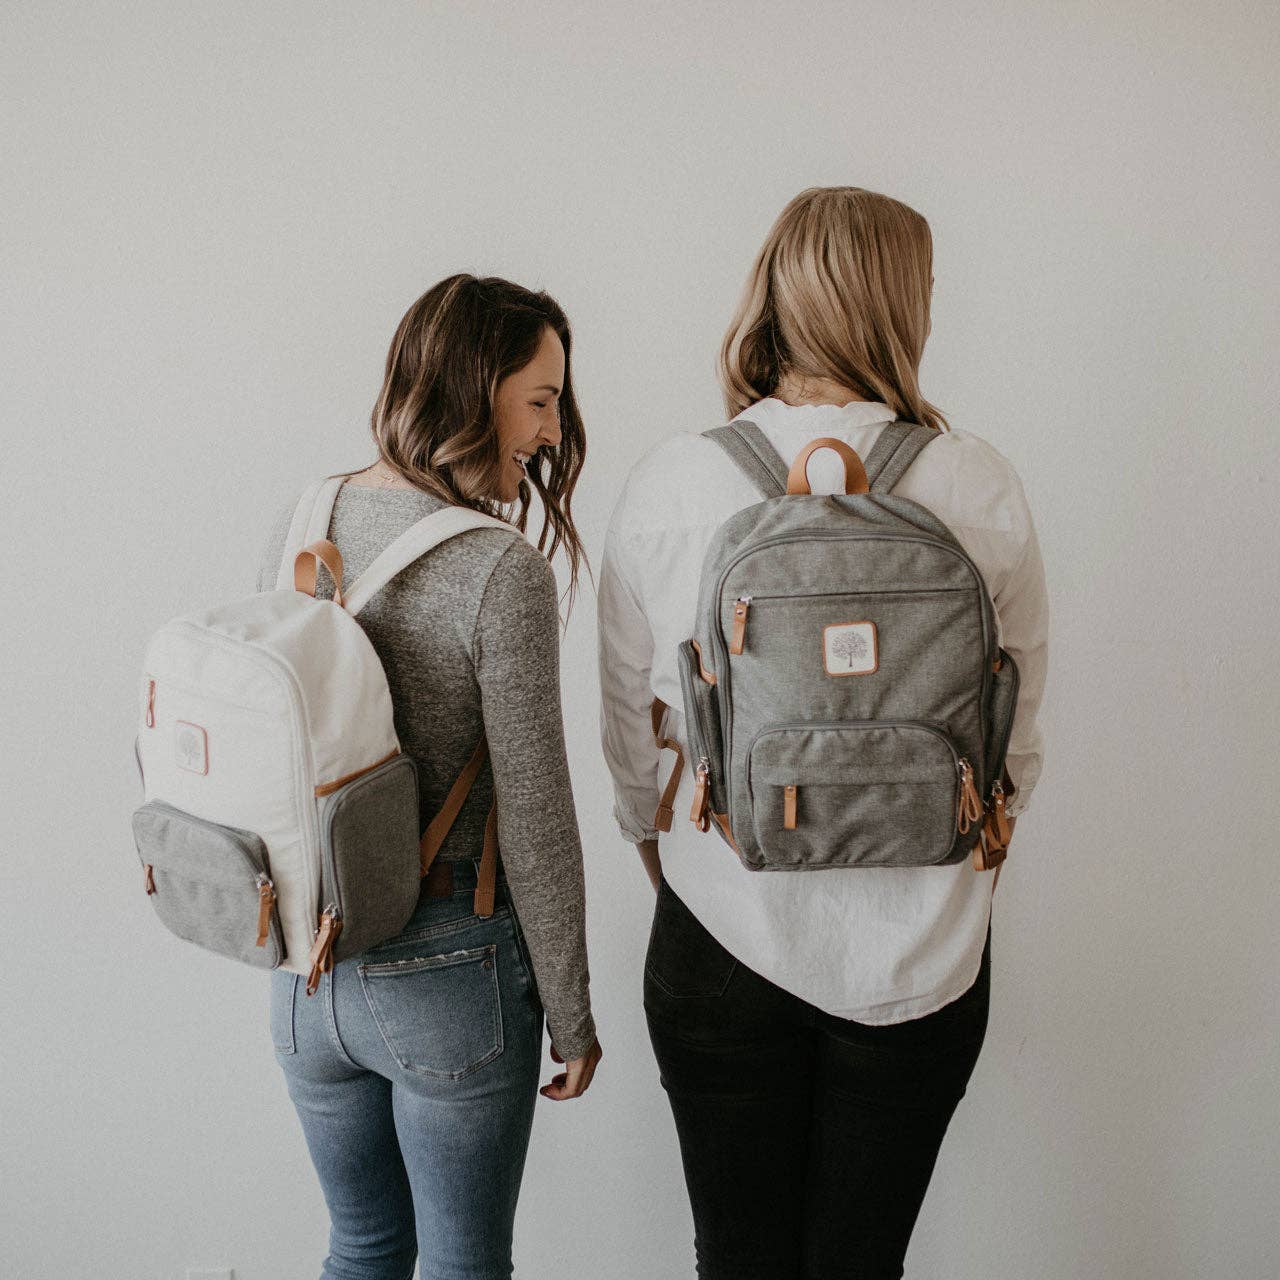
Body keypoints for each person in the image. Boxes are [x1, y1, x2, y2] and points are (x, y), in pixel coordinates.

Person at [598, 187, 1048, 1279]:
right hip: (920, 949)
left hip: (720, 924)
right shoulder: (973, 480)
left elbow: (627, 720)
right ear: (896, 308)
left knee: (738, 1256)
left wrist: (657, 850)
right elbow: (1016, 724)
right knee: (859, 1262)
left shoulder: (674, 478)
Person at [259, 274, 602, 1280]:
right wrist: (573, 1016)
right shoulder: (501, 568)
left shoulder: (308, 511)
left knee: (359, 1248)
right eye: (538, 399)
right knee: (461, 1265)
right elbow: (535, 815)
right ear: (474, 385)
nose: (548, 432)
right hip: (446, 970)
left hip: (300, 971)